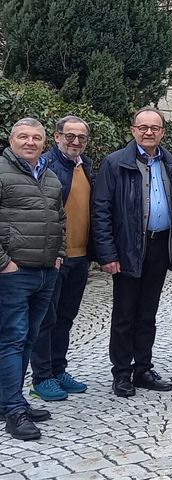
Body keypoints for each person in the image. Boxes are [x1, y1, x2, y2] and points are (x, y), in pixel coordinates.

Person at [92, 107, 172, 398]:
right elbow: (101, 211)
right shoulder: (115, 164)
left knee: (148, 312)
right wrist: (107, 254)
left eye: (155, 127)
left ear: (162, 132)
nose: (149, 132)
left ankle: (142, 368)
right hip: (127, 247)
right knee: (125, 313)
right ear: (133, 130)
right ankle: (122, 372)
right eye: (143, 127)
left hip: (160, 245)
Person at [0, 118, 65, 440]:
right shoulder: (2, 171)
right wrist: (4, 263)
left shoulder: (50, 176)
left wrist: (59, 255)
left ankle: (11, 399)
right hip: (14, 272)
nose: (30, 142)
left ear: (44, 142)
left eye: (36, 138)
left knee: (27, 338)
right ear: (11, 140)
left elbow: (59, 219)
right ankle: (13, 409)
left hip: (44, 271)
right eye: (23, 137)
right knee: (12, 338)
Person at [29, 116, 93, 402]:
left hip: (80, 257)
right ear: (56, 137)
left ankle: (58, 368)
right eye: (70, 136)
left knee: (66, 317)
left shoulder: (85, 166)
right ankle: (41, 377)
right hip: (55, 258)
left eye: (81, 137)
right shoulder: (46, 167)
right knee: (46, 319)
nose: (75, 142)